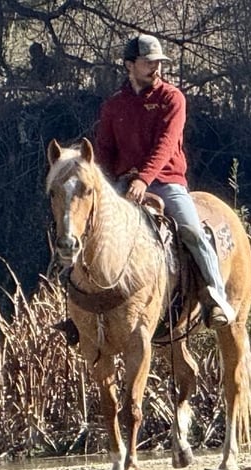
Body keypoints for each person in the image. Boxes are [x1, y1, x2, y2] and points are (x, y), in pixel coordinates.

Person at [94, 34, 236, 328]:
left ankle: (215, 297)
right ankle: (81, 310)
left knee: (193, 231)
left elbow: (166, 144)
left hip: (165, 181)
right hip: (123, 183)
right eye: (148, 62)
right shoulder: (113, 106)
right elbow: (104, 150)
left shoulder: (172, 98)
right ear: (129, 65)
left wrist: (144, 180)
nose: (155, 68)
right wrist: (103, 185)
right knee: (87, 228)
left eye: (158, 62)